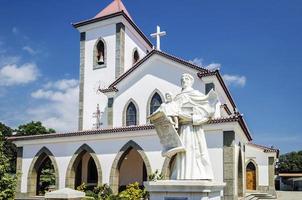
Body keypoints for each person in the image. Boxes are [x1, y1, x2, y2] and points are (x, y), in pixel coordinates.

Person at [168, 73, 218, 180]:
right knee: (182, 152)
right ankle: (181, 175)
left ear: (191, 81)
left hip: (193, 129)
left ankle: (197, 174)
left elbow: (207, 112)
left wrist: (192, 118)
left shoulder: (196, 94)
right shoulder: (177, 97)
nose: (184, 80)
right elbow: (172, 112)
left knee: (196, 151)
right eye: (182, 79)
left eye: (186, 78)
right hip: (182, 129)